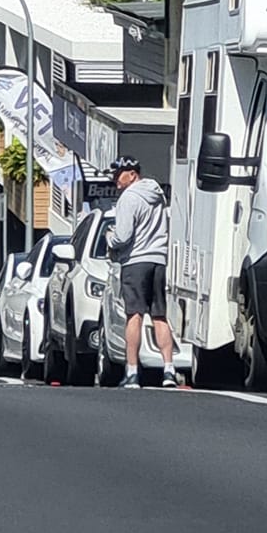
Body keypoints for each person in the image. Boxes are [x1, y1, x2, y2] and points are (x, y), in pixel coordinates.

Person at [108, 157, 177, 389]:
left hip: (136, 261)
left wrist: (110, 238)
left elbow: (123, 236)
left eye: (119, 175)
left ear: (132, 174)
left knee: (134, 315)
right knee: (159, 315)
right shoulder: (157, 195)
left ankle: (132, 372)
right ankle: (169, 370)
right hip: (158, 259)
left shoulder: (129, 198)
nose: (116, 181)